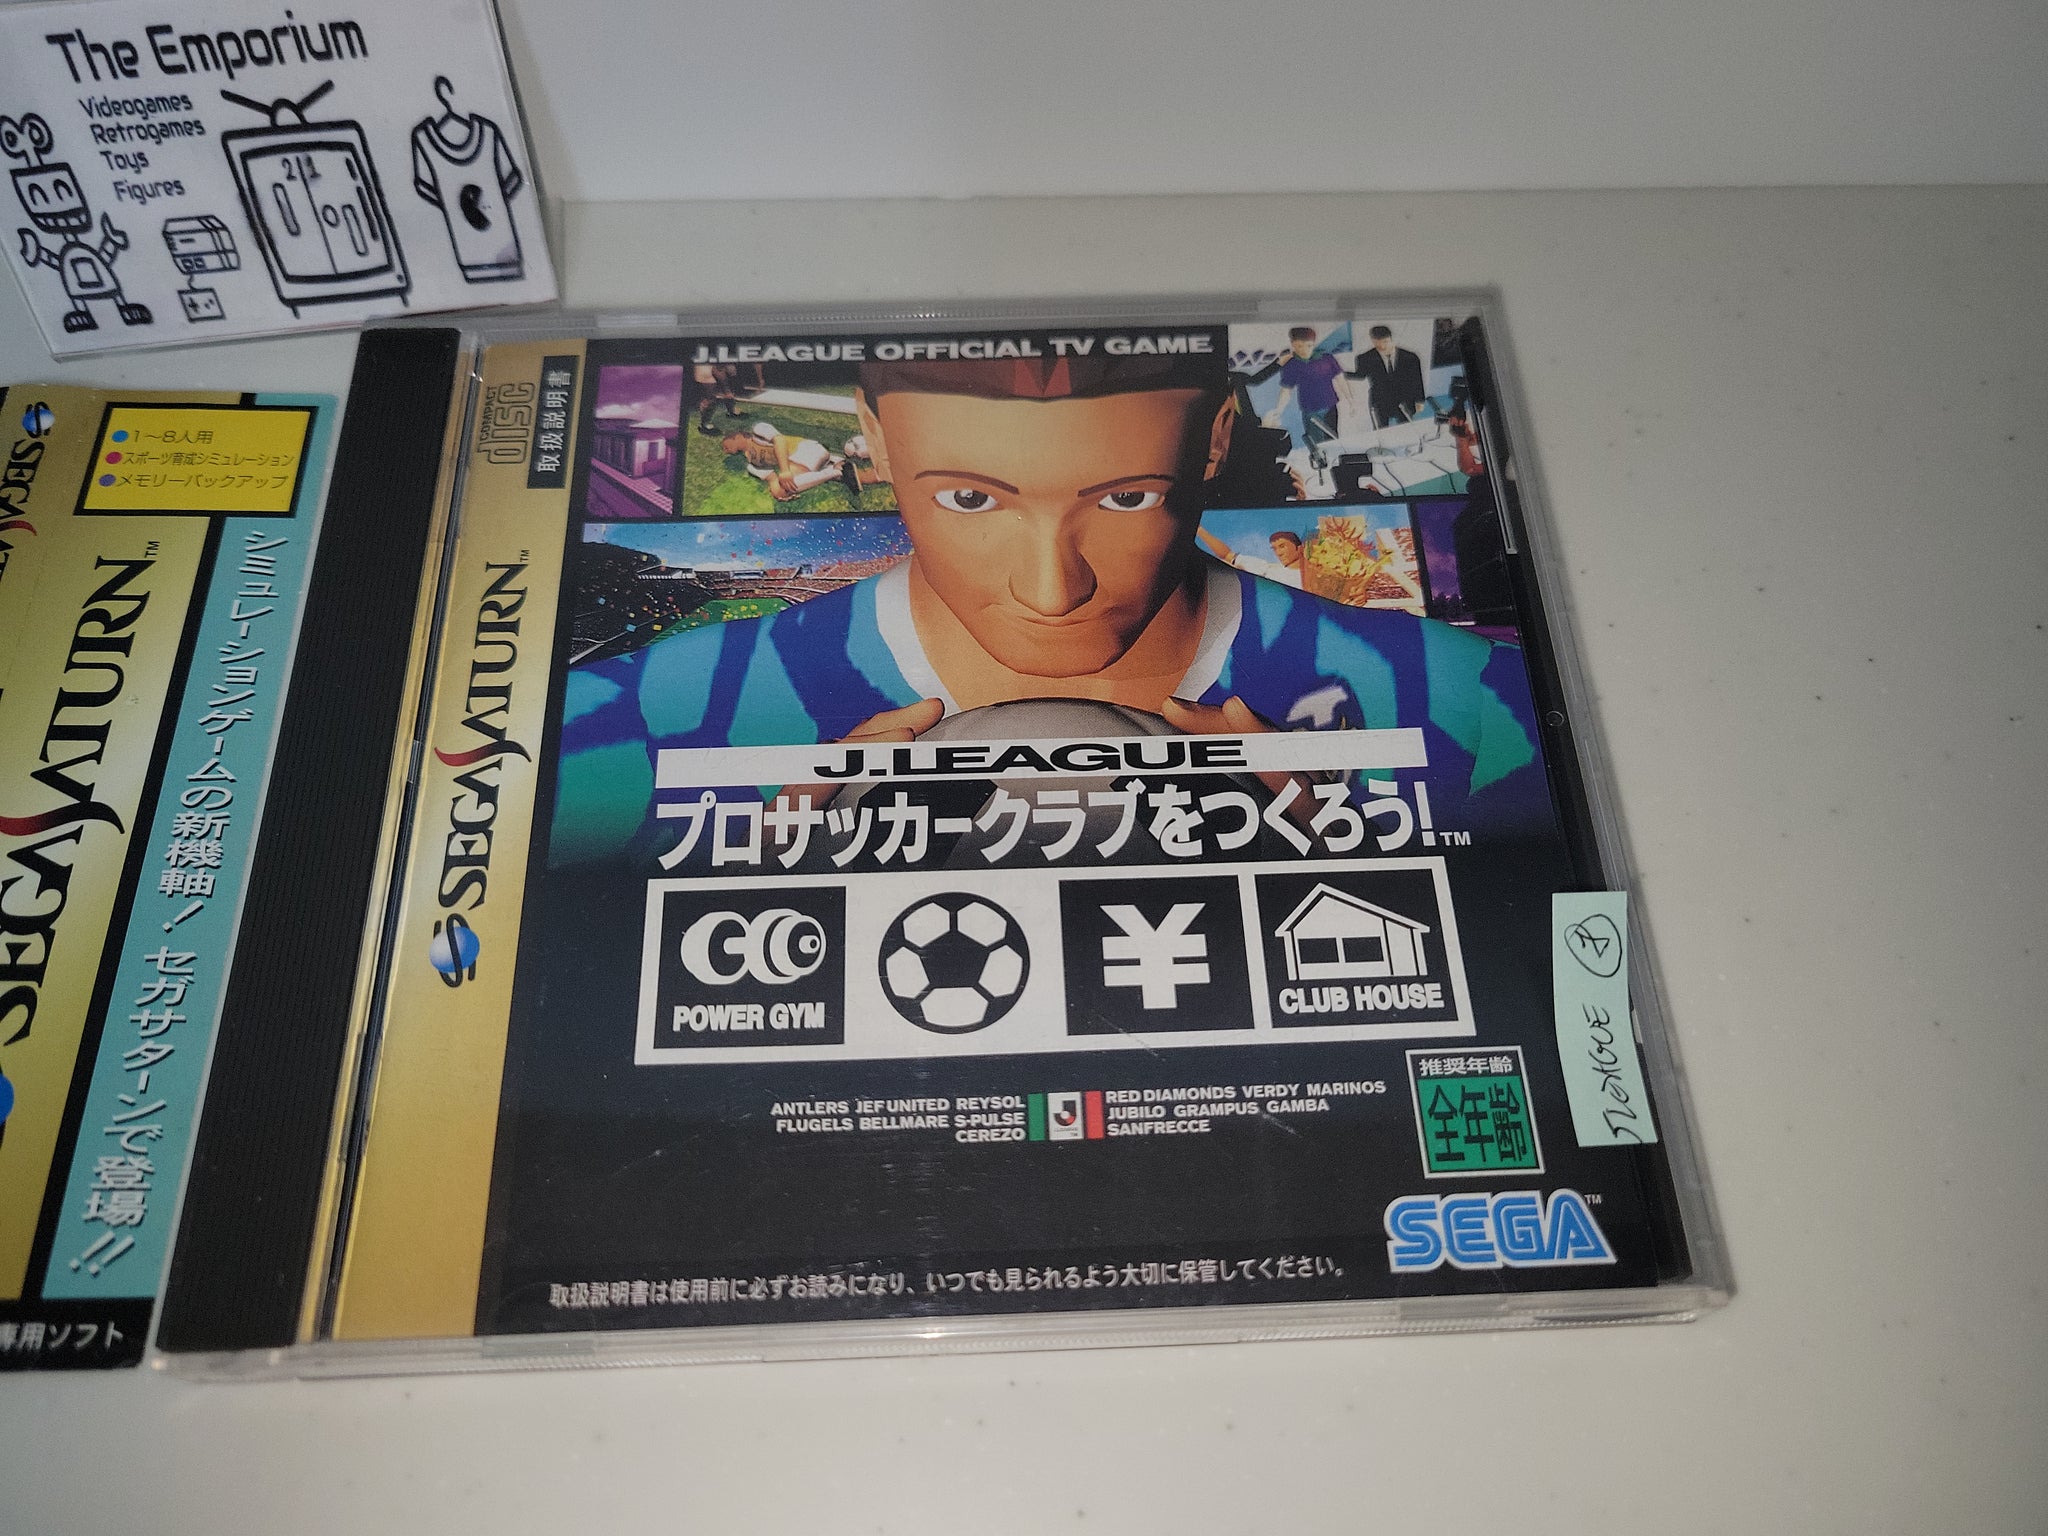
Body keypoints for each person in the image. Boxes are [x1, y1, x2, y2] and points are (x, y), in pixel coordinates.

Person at [556, 349, 1548, 862]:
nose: (1049, 589)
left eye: (1125, 499)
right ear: (875, 438)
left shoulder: (1486, 713)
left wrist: (1377, 864)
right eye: (968, 499)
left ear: (1213, 441)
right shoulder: (609, 731)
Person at [1262, 327, 1351, 473]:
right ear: (1293, 344)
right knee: (1316, 445)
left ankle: (1336, 470)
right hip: (1310, 411)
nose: (1304, 350)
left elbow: (1340, 379)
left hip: (1330, 406)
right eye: (1299, 346)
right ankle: (1321, 472)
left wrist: (1351, 401)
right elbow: (1286, 391)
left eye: (1308, 345)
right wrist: (1279, 410)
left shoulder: (1326, 358)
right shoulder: (1292, 365)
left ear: (1313, 343)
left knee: (1333, 440)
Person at [1353, 325, 1426, 427]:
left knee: (1406, 428)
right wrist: (1340, 373)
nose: (1382, 346)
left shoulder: (1410, 357)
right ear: (1373, 341)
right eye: (1378, 343)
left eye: (1385, 342)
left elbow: (1417, 379)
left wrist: (1420, 400)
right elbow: (1360, 375)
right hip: (1380, 400)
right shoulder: (1365, 358)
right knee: (1381, 430)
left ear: (1391, 339)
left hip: (1404, 399)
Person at [1197, 525, 1305, 589]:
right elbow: (1228, 555)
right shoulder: (1268, 570)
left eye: (1282, 546)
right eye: (1274, 549)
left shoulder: (1313, 573)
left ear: (1299, 548)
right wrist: (1199, 530)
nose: (1278, 553)